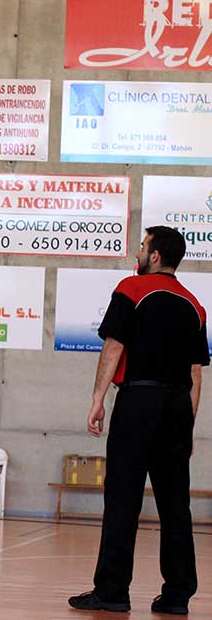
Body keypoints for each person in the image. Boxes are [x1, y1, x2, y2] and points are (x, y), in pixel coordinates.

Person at [68, 226, 207, 615]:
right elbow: (196, 374)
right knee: (176, 505)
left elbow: (114, 346)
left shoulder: (131, 288)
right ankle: (177, 596)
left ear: (156, 256)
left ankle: (112, 592)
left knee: (123, 498)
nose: (138, 253)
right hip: (178, 408)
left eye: (143, 247)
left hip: (139, 401)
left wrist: (98, 399)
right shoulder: (195, 306)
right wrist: (187, 427)